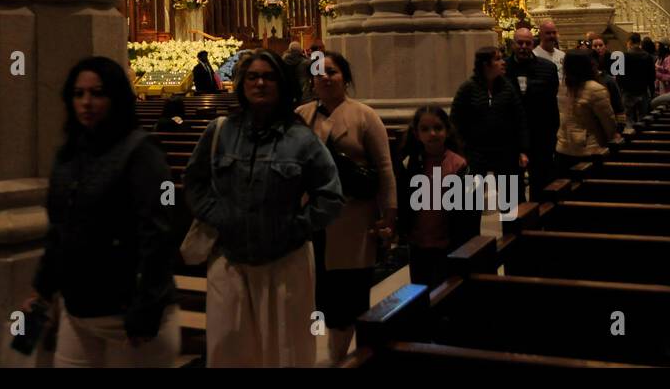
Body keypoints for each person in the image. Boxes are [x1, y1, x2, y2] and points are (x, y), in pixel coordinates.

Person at [184, 49, 343, 368]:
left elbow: (331, 196)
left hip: (285, 262)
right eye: (253, 76)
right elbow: (194, 181)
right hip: (230, 261)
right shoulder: (221, 132)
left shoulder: (301, 138)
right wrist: (219, 217)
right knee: (229, 351)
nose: (260, 83)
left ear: (282, 84)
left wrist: (296, 226)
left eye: (269, 77)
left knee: (286, 353)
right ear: (242, 83)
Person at [29, 56, 179, 368]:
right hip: (78, 308)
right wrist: (43, 289)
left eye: (98, 93)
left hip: (127, 314)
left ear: (116, 98)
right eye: (78, 94)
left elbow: (159, 234)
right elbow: (60, 230)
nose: (86, 102)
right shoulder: (69, 153)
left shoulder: (142, 151)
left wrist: (146, 307)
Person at [297, 52, 397, 363]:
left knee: (349, 293)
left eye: (332, 71)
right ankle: (329, 349)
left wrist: (389, 216)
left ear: (345, 78)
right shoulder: (301, 116)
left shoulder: (365, 116)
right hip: (311, 217)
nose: (325, 77)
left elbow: (384, 169)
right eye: (319, 73)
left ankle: (339, 355)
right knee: (319, 290)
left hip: (352, 219)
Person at [396, 106, 482, 288]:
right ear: (417, 134)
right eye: (425, 129)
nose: (432, 134)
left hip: (448, 245)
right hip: (418, 245)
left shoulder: (459, 166)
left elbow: (469, 215)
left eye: (438, 127)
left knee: (444, 295)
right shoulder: (410, 163)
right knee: (421, 293)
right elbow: (403, 201)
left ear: (447, 130)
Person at [449, 46, 529, 195]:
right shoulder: (467, 88)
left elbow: (519, 119)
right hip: (475, 152)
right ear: (485, 64)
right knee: (471, 202)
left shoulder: (507, 87)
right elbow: (455, 122)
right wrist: (460, 151)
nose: (503, 62)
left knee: (511, 201)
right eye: (498, 59)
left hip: (505, 150)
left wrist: (523, 150)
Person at [505, 25, 560, 198]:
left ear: (532, 44)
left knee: (541, 182)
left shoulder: (548, 68)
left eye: (527, 43)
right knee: (511, 188)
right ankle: (514, 223)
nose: (523, 47)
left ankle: (539, 222)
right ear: (513, 44)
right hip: (511, 135)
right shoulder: (503, 69)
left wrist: (553, 132)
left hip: (541, 134)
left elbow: (552, 101)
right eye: (519, 43)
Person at [555, 48, 618, 173]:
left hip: (563, 147)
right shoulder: (595, 89)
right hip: (588, 149)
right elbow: (608, 121)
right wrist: (612, 140)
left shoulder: (562, 87)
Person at [616, 32, 656, 127]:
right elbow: (652, 77)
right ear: (639, 42)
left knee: (628, 118)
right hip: (643, 91)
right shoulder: (648, 56)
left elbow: (619, 77)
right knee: (643, 119)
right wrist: (651, 90)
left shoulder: (623, 56)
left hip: (628, 92)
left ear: (629, 42)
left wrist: (622, 89)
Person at [587, 34, 624, 115]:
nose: (598, 48)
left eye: (600, 45)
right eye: (595, 46)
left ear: (606, 46)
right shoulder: (589, 60)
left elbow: (619, 79)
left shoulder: (613, 59)